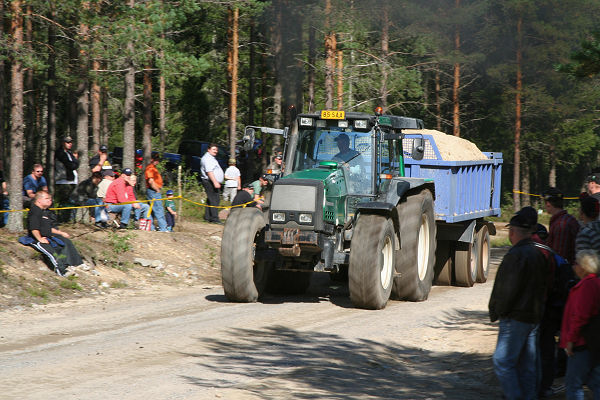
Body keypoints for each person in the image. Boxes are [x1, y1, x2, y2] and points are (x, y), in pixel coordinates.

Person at [489, 209, 549, 400]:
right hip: (533, 317)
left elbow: (507, 289)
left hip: (516, 317)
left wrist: (499, 310)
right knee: (527, 365)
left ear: (513, 232)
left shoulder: (515, 255)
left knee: (503, 361)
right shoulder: (538, 254)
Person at [542, 187, 581, 392]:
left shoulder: (561, 225)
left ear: (549, 203)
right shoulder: (570, 220)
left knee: (553, 328)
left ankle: (559, 367)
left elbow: (556, 257)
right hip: (573, 282)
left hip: (562, 285)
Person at [559, 249, 600, 399]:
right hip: (591, 343)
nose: (573, 266)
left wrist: (570, 340)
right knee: (594, 381)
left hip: (581, 342)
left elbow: (580, 316)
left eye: (576, 263)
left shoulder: (586, 286)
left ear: (583, 266)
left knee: (573, 384)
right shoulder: (595, 283)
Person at [26, 191, 85, 277]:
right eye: (46, 198)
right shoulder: (35, 211)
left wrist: (60, 233)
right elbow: (34, 228)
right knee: (52, 253)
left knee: (61, 244)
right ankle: (62, 272)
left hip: (47, 237)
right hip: (35, 239)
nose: (49, 200)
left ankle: (69, 266)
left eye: (50, 199)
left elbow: (47, 228)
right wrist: (39, 239)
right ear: (38, 200)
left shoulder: (44, 212)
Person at [200, 144, 224, 224]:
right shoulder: (207, 159)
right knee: (214, 199)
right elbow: (209, 172)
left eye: (216, 150)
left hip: (211, 181)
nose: (215, 151)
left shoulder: (211, 158)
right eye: (214, 149)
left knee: (211, 199)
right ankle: (214, 219)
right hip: (210, 181)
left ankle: (208, 217)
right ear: (208, 149)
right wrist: (215, 182)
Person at [145, 152, 168, 231]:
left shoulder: (153, 168)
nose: (157, 161)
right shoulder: (150, 168)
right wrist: (157, 189)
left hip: (153, 191)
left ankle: (150, 227)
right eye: (156, 160)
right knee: (159, 209)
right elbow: (151, 181)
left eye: (158, 159)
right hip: (153, 191)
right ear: (152, 159)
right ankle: (163, 228)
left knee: (151, 210)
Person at [54, 136, 79, 208]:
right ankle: (62, 218)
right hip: (64, 181)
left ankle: (68, 218)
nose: (70, 144)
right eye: (68, 142)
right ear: (63, 143)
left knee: (70, 202)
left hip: (71, 181)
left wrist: (74, 161)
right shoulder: (60, 153)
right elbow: (71, 166)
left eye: (71, 142)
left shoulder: (69, 153)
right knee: (65, 203)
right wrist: (76, 160)